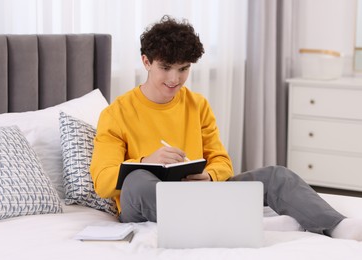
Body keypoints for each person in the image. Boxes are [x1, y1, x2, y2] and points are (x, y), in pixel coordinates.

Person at [90, 15, 362, 241]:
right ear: (146, 62)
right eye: (166, 68)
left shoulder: (198, 105)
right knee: (136, 182)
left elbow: (222, 162)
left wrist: (209, 176)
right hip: (150, 199)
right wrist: (145, 162)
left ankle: (336, 225)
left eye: (183, 69)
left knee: (276, 176)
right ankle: (232, 221)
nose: (175, 79)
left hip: (201, 194)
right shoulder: (116, 113)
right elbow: (103, 183)